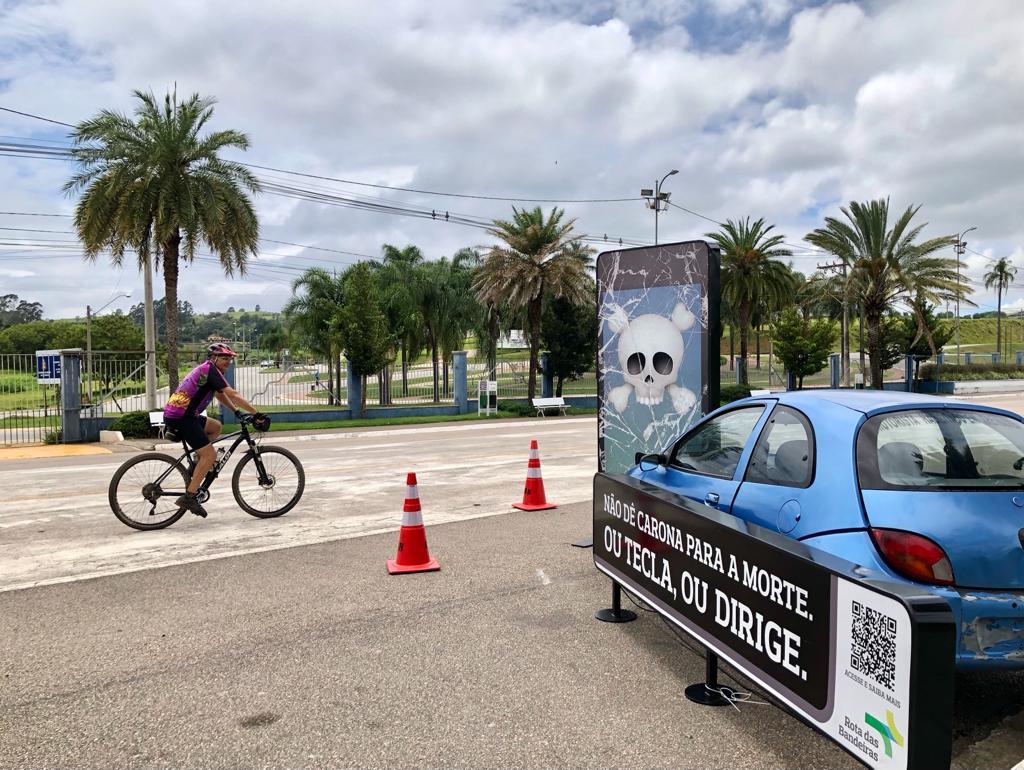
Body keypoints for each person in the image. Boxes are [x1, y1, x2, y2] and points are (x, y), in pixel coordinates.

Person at [163, 343, 258, 518]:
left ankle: (197, 467)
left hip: (179, 414)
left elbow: (220, 395)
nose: (228, 361)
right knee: (210, 456)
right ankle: (189, 497)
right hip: (182, 417)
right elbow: (234, 394)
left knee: (215, 427)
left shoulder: (209, 371)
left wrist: (237, 412)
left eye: (230, 359)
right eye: (224, 358)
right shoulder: (211, 370)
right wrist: (256, 413)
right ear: (213, 358)